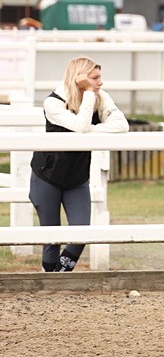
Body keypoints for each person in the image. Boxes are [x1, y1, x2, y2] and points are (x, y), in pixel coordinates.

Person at [29, 57, 129, 272]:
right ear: (80, 79)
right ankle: (50, 283)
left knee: (81, 233)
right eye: (95, 78)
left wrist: (93, 123)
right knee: (51, 238)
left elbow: (122, 125)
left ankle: (61, 277)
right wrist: (89, 96)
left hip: (77, 177)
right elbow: (81, 125)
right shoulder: (53, 102)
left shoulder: (100, 97)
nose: (100, 83)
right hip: (47, 176)